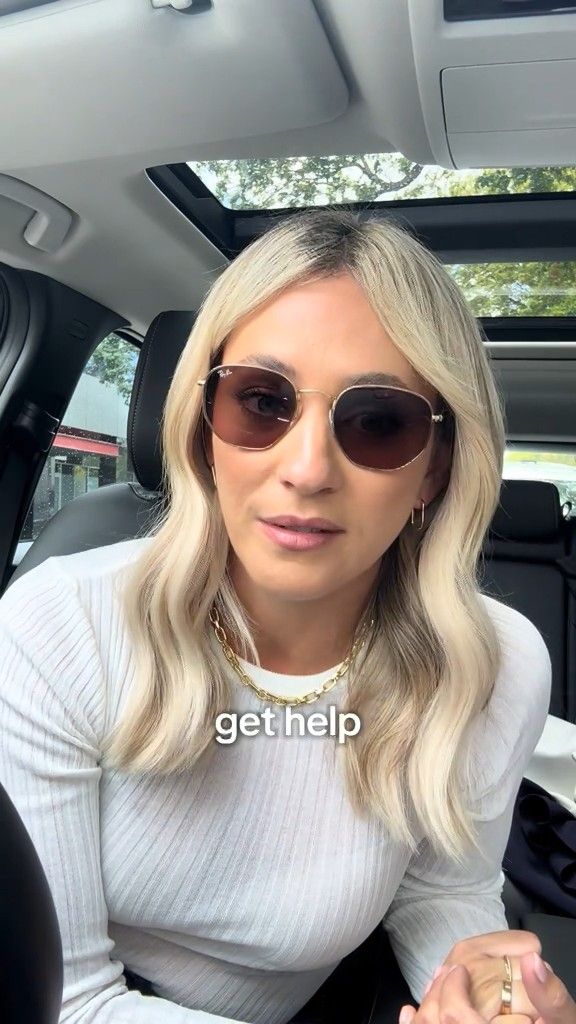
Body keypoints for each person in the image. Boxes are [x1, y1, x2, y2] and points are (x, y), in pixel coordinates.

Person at [0, 208, 558, 1024]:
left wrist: (491, 994)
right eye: (261, 402)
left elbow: (444, 889)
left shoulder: (494, 664)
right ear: (205, 430)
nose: (306, 469)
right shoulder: (57, 628)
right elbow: (67, 1003)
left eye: (377, 422)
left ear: (435, 470)